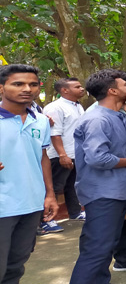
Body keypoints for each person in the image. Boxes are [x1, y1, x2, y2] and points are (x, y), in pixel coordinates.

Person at [69, 69, 126, 284]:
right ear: (113, 90)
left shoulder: (121, 116)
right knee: (97, 249)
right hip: (103, 193)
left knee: (107, 244)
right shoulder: (97, 119)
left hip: (121, 189)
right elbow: (98, 158)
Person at [0, 64, 58, 284]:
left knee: (17, 265)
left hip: (31, 203)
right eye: (18, 84)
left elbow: (42, 157)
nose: (27, 89)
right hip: (2, 205)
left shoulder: (41, 120)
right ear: (1, 88)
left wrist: (49, 194)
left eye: (33, 84)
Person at [42, 78, 86, 234]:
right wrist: (62, 154)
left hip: (75, 153)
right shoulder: (55, 107)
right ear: (65, 90)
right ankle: (47, 219)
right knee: (53, 187)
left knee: (72, 184)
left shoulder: (77, 106)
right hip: (60, 154)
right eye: (77, 87)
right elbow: (55, 133)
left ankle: (75, 211)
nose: (82, 89)